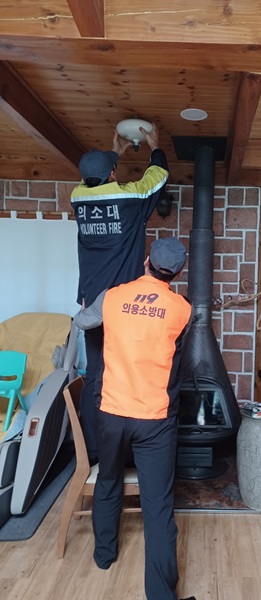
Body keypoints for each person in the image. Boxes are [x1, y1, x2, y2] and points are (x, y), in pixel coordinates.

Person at [73, 237, 195, 600]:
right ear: (177, 273)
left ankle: (103, 556)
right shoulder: (182, 309)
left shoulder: (112, 297)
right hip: (154, 420)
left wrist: (91, 311)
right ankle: (161, 594)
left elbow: (81, 322)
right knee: (157, 505)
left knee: (108, 480)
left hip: (111, 413)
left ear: (146, 262)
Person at [71, 123, 168, 463]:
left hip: (91, 305)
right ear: (113, 174)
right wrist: (155, 146)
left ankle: (93, 451)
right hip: (123, 307)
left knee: (95, 375)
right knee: (127, 372)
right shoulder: (130, 199)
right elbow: (157, 178)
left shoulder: (78, 197)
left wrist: (115, 152)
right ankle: (129, 449)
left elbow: (97, 181)